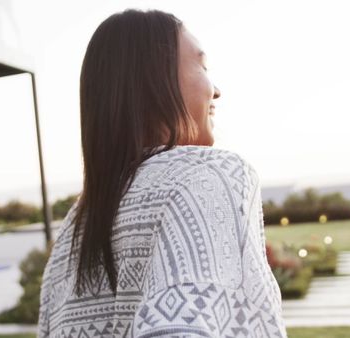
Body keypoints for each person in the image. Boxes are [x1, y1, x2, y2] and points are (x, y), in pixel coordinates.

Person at [37, 8, 287, 338]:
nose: (217, 90)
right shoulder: (204, 177)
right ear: (154, 79)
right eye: (203, 65)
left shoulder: (78, 222)